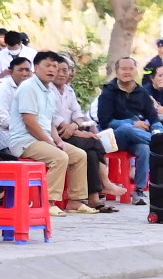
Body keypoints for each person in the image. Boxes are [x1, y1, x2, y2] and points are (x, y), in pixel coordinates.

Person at [0, 52, 93, 216]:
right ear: (36, 68)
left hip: (43, 140)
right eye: (47, 65)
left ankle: (75, 201)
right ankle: (48, 203)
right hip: (24, 141)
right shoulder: (28, 87)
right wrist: (50, 142)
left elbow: (49, 121)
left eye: (55, 66)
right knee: (60, 157)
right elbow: (30, 122)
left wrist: (57, 140)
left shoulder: (49, 90)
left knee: (79, 155)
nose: (52, 69)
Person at [50, 55, 124, 209]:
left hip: (71, 130)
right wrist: (74, 130)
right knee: (94, 141)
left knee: (90, 152)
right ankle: (105, 183)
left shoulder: (68, 90)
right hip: (55, 134)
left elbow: (78, 115)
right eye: (59, 70)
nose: (63, 74)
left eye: (66, 70)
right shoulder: (47, 90)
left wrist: (75, 127)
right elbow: (53, 117)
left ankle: (93, 198)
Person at [98, 56, 160, 203]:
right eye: (123, 69)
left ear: (136, 71)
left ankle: (139, 190)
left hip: (135, 138)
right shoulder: (108, 92)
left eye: (130, 68)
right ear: (117, 72)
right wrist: (133, 124)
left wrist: (157, 130)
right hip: (113, 138)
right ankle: (161, 144)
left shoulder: (142, 93)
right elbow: (105, 121)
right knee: (127, 128)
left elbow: (154, 117)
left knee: (144, 149)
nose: (127, 72)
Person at [0, 55, 32, 140]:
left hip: (24, 133)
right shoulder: (1, 89)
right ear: (11, 72)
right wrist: (30, 128)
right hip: (3, 134)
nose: (25, 74)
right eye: (20, 70)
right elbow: (2, 119)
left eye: (27, 70)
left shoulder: (30, 89)